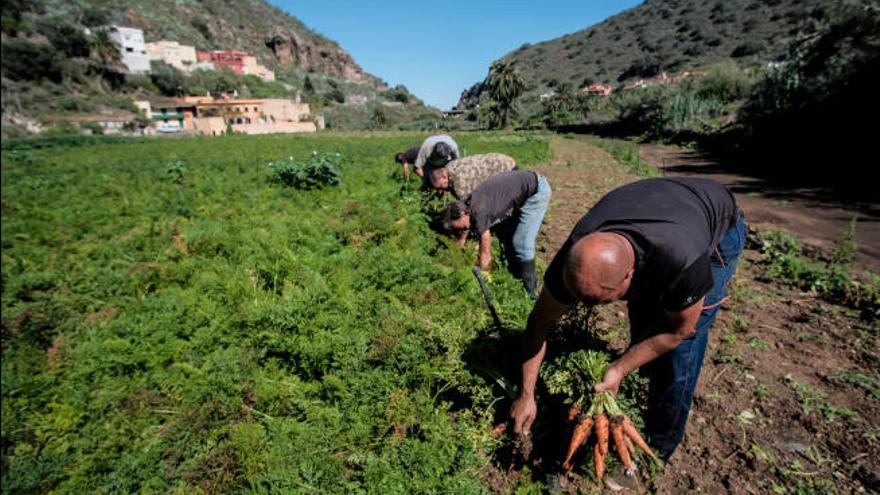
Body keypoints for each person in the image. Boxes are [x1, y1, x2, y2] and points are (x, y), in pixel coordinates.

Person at [509, 177, 746, 463]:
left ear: (630, 275)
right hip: (659, 205)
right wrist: (526, 394)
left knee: (681, 351)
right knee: (645, 321)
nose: (587, 308)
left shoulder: (684, 261)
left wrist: (619, 368)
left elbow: (679, 330)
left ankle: (657, 450)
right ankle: (645, 382)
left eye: (602, 301)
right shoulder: (575, 257)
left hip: (714, 224)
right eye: (580, 298)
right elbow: (538, 324)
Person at [437, 170, 551, 297]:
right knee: (505, 235)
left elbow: (486, 251)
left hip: (535, 191)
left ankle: (531, 293)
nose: (461, 230)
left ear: (463, 214)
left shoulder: (479, 212)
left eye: (459, 227)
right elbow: (465, 230)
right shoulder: (466, 205)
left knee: (521, 243)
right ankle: (515, 276)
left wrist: (486, 277)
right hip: (521, 187)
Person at [429, 152, 518, 199]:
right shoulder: (449, 166)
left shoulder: (459, 182)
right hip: (501, 159)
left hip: (505, 168)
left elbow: (469, 204)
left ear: (444, 176)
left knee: (507, 198)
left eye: (441, 186)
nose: (441, 190)